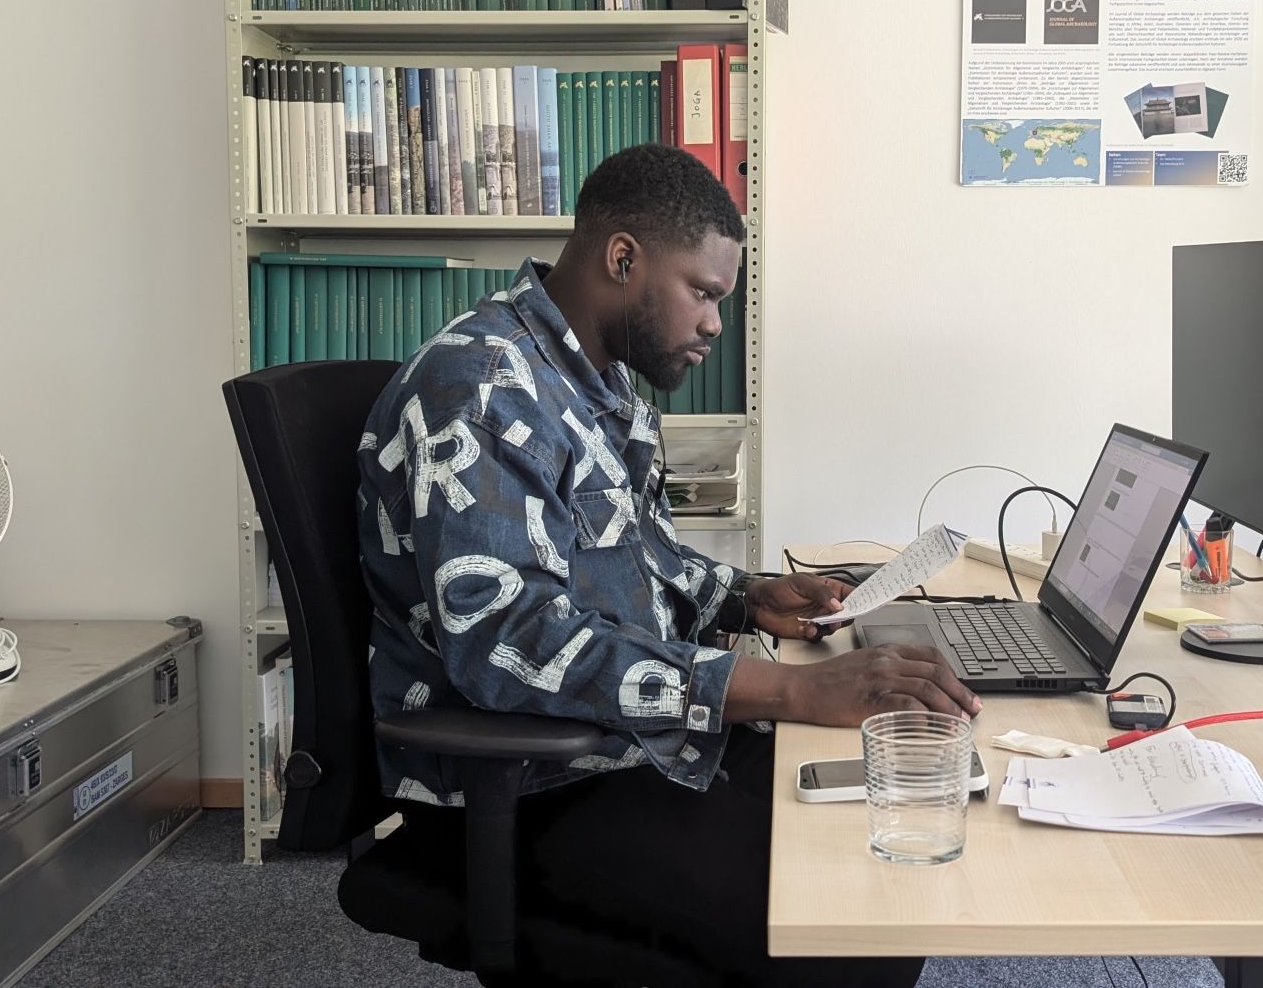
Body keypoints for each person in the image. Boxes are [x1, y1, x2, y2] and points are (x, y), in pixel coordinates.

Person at [356, 143, 977, 987]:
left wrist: (750, 599)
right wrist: (790, 687)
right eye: (705, 293)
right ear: (623, 258)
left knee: (866, 838)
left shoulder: (596, 384)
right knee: (841, 932)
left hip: (624, 743)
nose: (716, 324)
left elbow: (632, 563)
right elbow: (512, 638)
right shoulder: (483, 386)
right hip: (529, 778)